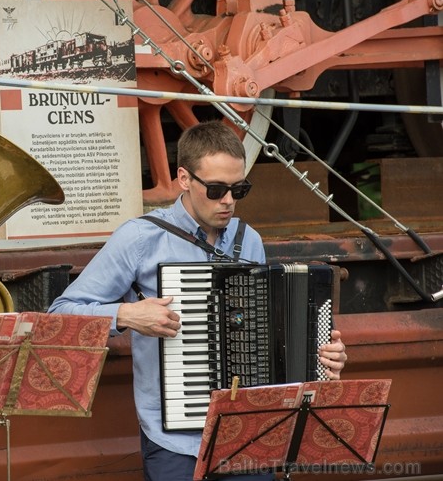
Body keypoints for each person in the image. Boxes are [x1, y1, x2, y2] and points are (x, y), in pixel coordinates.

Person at [48, 121, 348, 481]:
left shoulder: (247, 239)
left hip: (249, 430)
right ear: (184, 178)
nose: (228, 201)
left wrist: (319, 355)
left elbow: (265, 332)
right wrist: (126, 315)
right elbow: (61, 314)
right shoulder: (140, 238)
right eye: (217, 189)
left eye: (239, 190)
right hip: (174, 441)